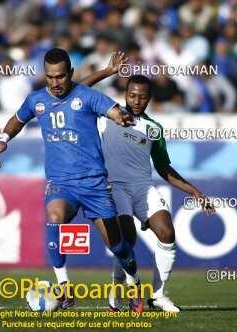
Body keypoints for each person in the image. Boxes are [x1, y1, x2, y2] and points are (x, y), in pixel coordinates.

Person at [0, 48, 144, 312]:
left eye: (60, 77)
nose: (55, 82)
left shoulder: (86, 95)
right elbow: (17, 120)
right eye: (50, 77)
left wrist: (120, 117)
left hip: (95, 183)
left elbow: (111, 110)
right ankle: (64, 288)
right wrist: (3, 140)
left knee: (118, 246)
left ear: (70, 73)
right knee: (54, 217)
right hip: (62, 182)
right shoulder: (36, 100)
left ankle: (133, 283)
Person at [80, 53, 215, 312]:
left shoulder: (153, 128)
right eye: (132, 95)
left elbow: (164, 168)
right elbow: (79, 92)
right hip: (114, 186)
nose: (137, 100)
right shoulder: (106, 116)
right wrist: (108, 71)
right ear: (125, 94)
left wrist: (195, 191)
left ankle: (158, 295)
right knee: (126, 239)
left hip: (143, 187)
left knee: (167, 232)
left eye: (142, 96)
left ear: (150, 98)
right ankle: (117, 293)